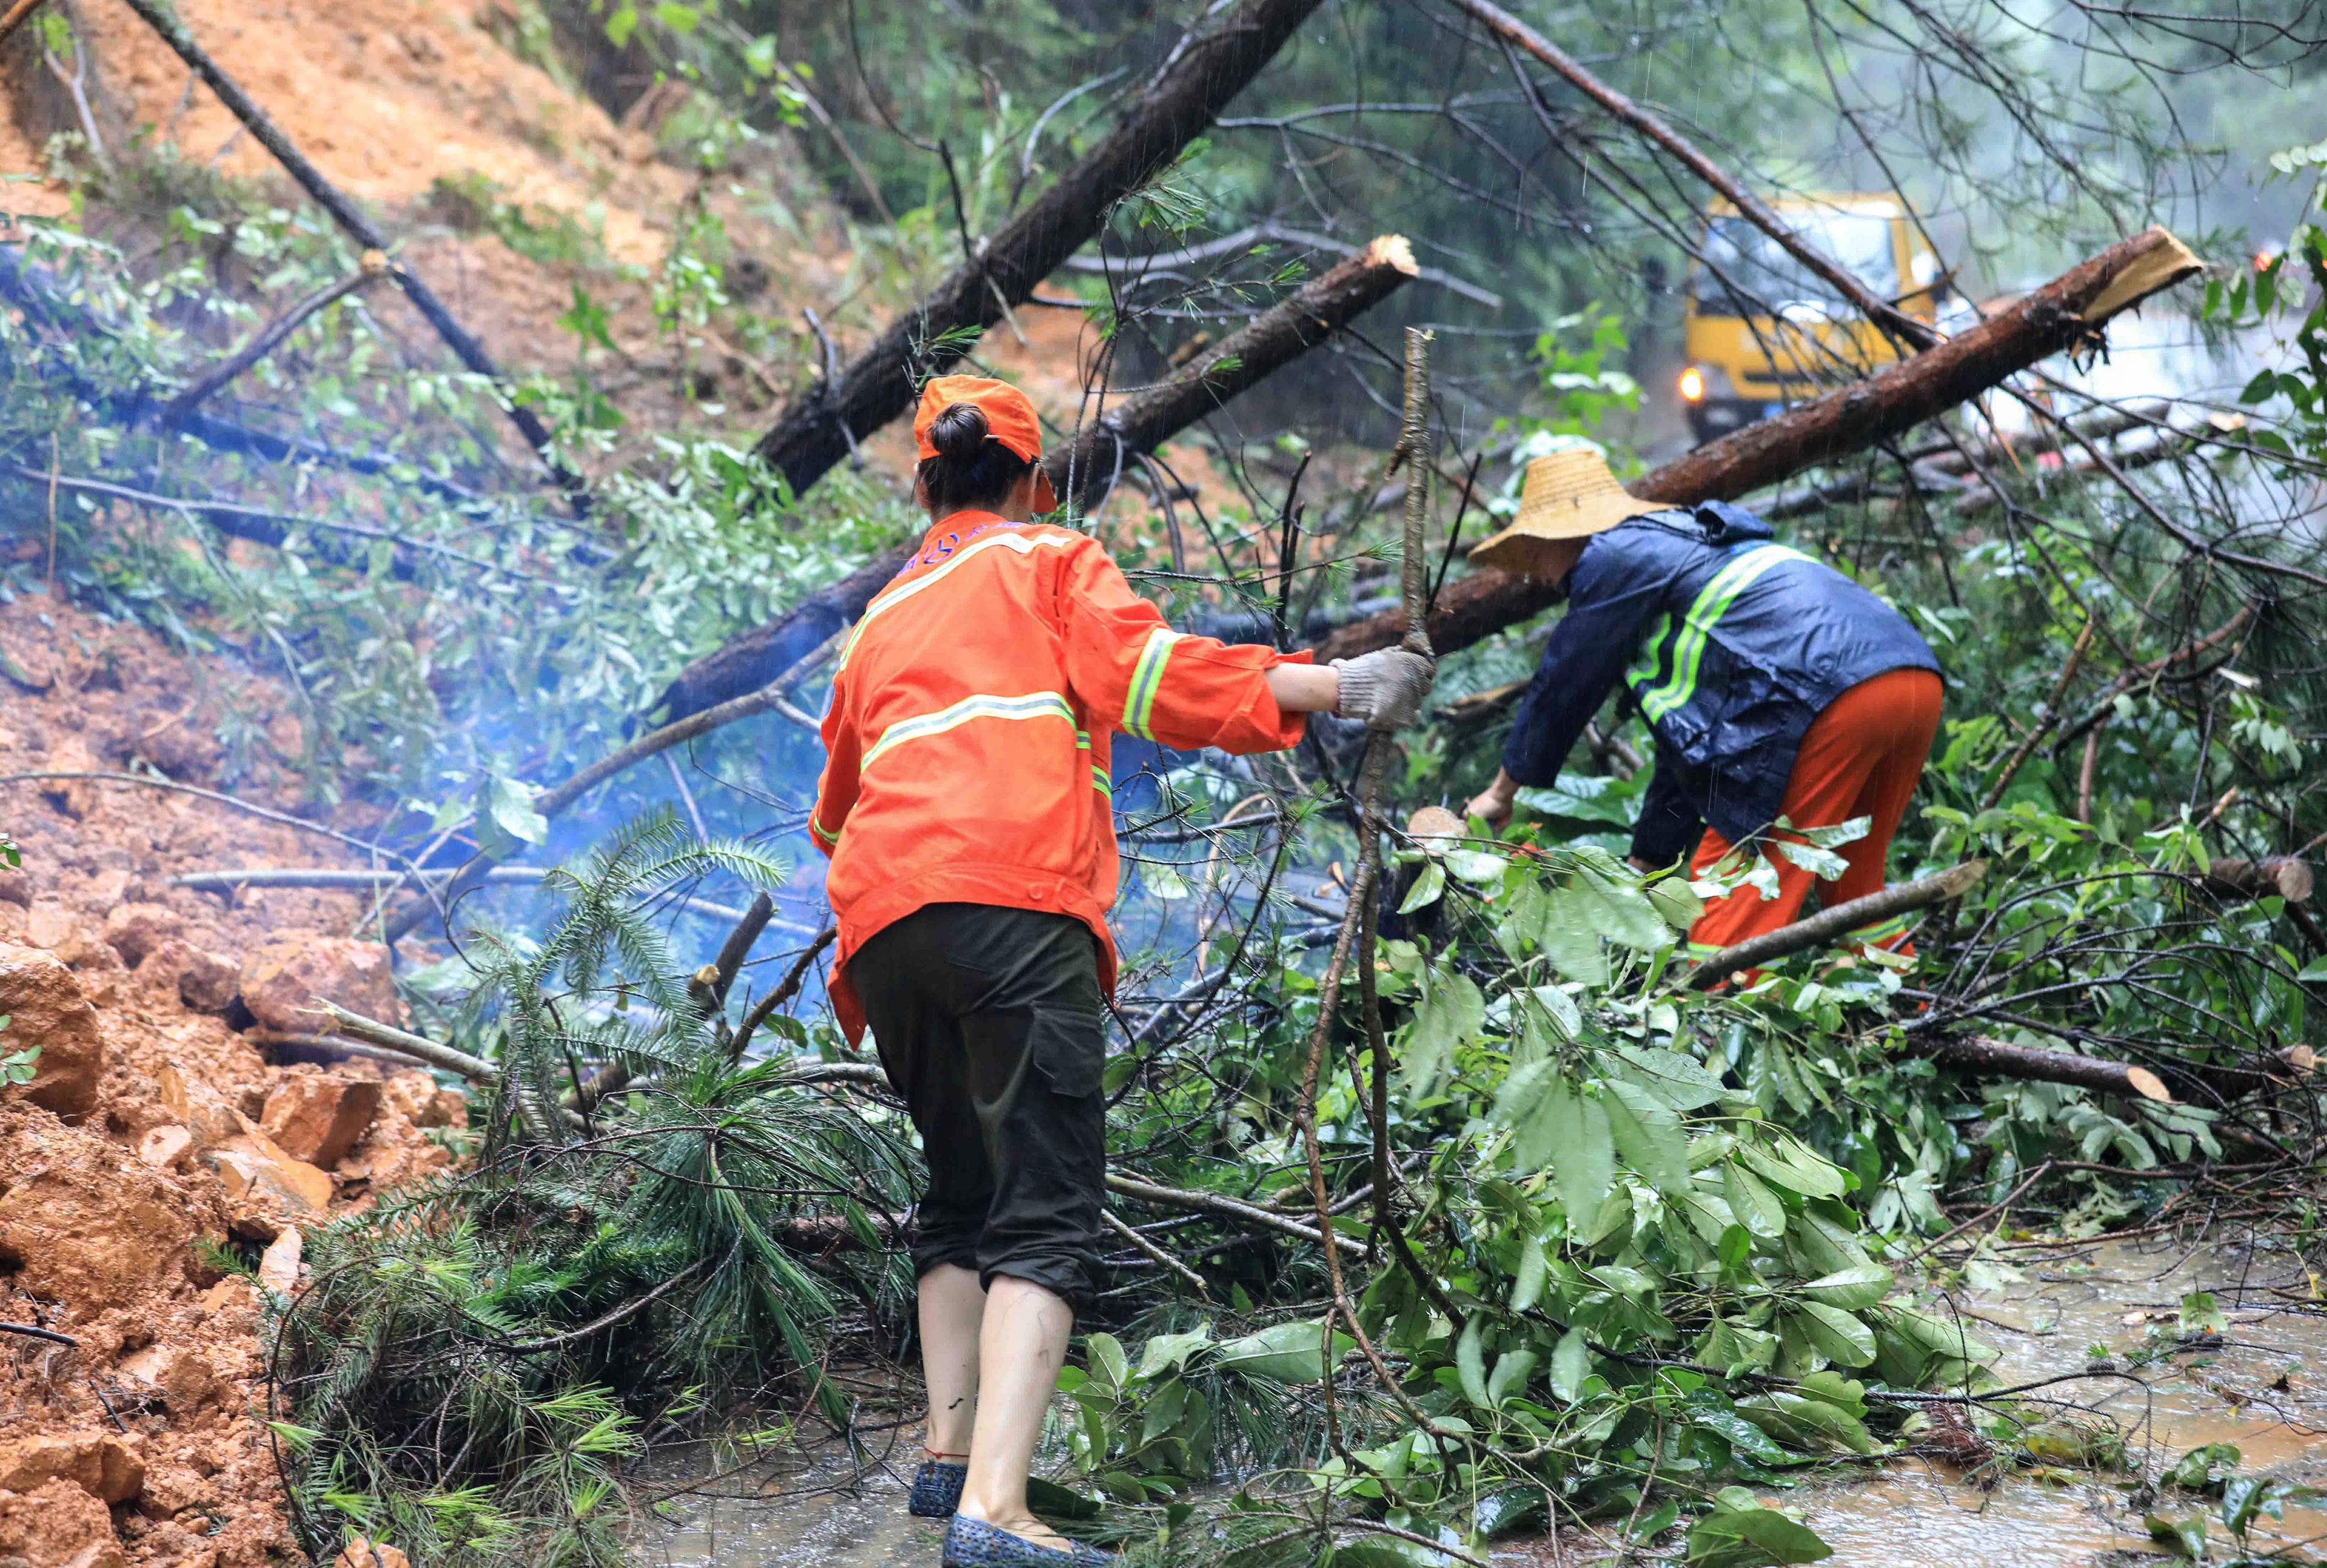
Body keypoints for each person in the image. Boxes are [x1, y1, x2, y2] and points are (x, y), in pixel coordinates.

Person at [809, 374, 1434, 1567]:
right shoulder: (1047, 559)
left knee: (956, 1193)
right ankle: (997, 1510)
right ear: (1034, 482)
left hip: (884, 929)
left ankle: (941, 1472)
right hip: (1009, 905)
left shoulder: (878, 620)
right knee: (1042, 1204)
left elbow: (832, 815)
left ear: (924, 481)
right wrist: (1336, 685)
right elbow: (1152, 680)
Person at [1463, 448, 1942, 952]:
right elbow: (1697, 751)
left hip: (1825, 697)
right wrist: (1646, 864)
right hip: (1910, 681)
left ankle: (1726, 1017)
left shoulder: (1612, 554)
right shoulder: (1689, 549)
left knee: (1731, 890)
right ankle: (1900, 1014)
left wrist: (1503, 791)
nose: (1537, 574)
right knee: (1853, 881)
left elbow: (1564, 682)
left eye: (1536, 552)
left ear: (1571, 533)